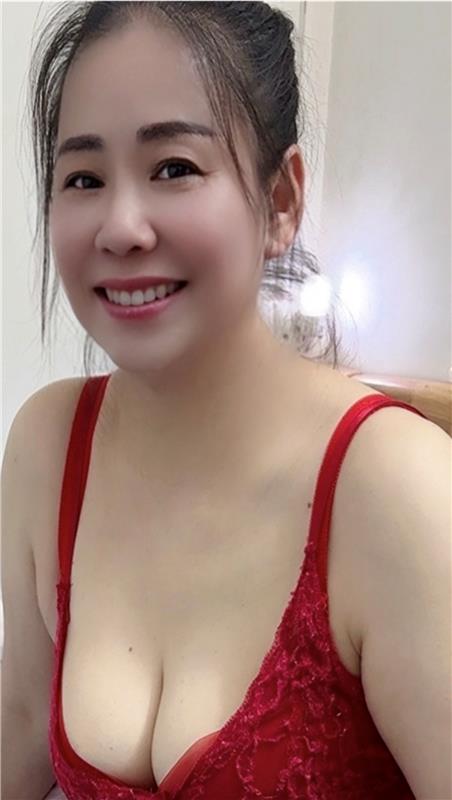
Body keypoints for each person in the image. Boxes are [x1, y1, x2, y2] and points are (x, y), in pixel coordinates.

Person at [2, 3, 450, 800]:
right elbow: (22, 723)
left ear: (280, 201)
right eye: (84, 178)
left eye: (174, 167)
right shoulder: (48, 442)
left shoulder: (398, 488)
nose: (121, 227)